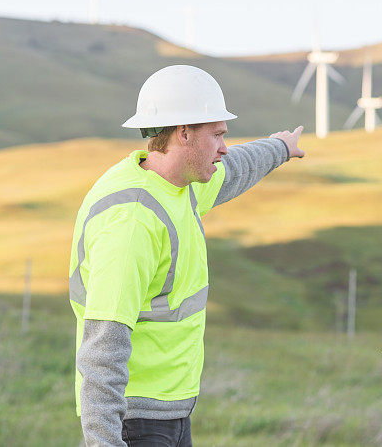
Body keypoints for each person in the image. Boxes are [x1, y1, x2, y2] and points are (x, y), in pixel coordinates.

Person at [68, 65, 304, 446]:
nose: (224, 147)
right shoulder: (132, 222)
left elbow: (237, 167)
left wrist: (280, 148)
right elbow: (102, 349)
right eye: (217, 135)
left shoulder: (181, 186)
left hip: (170, 412)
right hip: (135, 421)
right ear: (184, 133)